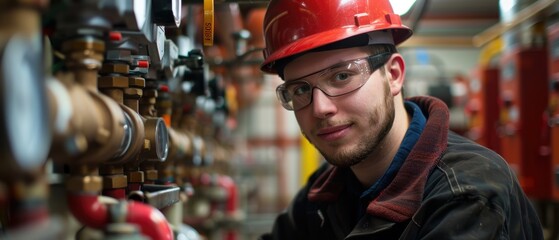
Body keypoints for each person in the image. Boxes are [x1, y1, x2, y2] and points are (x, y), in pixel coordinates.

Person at [257, 0, 544, 239]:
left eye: (341, 76)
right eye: (300, 89)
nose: (320, 108)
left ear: (393, 75)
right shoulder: (325, 192)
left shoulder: (468, 195)